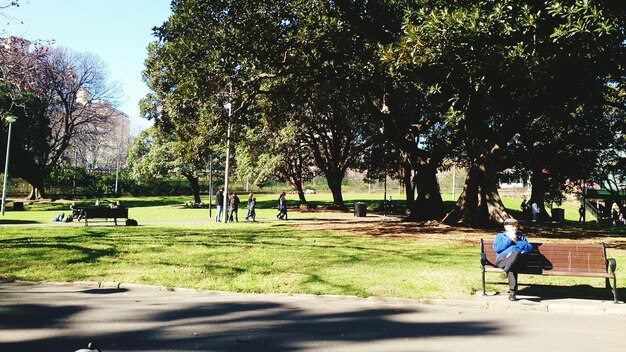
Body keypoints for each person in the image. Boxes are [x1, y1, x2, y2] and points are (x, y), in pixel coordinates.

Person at [493, 218, 533, 301]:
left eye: (516, 226)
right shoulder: (500, 236)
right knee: (512, 264)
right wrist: (510, 240)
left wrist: (517, 241)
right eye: (513, 226)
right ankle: (512, 294)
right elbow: (497, 248)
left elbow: (529, 248)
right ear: (506, 227)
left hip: (518, 261)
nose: (515, 228)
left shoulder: (521, 237)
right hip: (502, 260)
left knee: (516, 255)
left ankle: (506, 271)